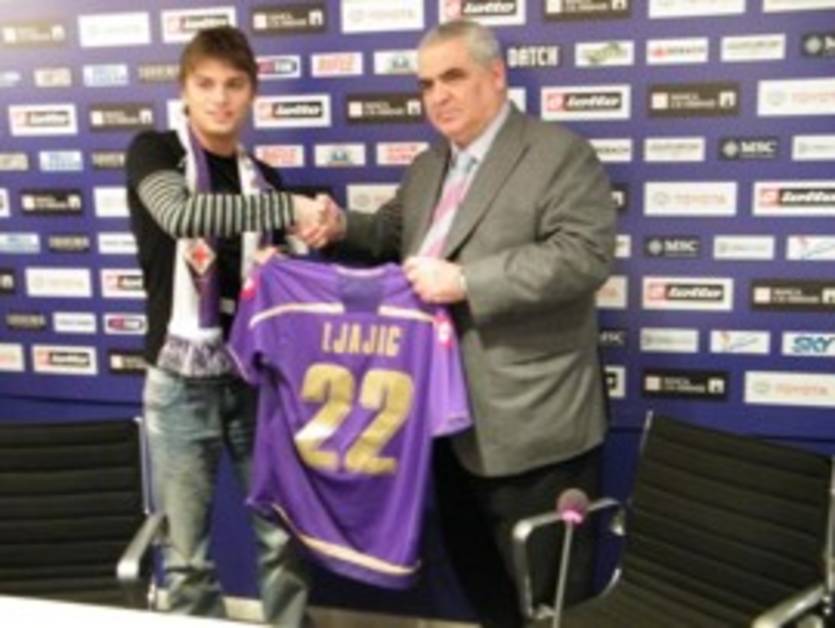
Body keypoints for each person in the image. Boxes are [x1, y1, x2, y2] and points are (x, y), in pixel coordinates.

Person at [300, 19, 615, 628]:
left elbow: (584, 255)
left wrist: (468, 280)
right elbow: (391, 233)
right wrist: (341, 226)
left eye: (453, 77)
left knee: (550, 603)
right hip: (445, 421)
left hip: (535, 427)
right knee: (482, 588)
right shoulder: (429, 166)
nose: (437, 96)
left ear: (496, 76)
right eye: (426, 84)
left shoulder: (559, 154)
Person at [125, 26, 317, 626]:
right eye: (205, 84)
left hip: (253, 378)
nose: (220, 98)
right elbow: (180, 214)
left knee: (280, 536)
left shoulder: (263, 178)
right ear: (184, 90)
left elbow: (284, 283)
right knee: (186, 557)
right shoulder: (155, 153)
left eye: (234, 85)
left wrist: (297, 250)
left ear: (252, 93)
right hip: (178, 383)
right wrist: (291, 209)